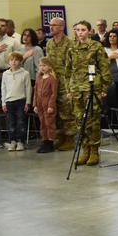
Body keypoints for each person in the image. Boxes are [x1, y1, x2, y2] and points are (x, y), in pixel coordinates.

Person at [65, 20, 110, 166]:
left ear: (89, 31)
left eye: (83, 30)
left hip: (92, 88)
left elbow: (104, 68)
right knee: (80, 121)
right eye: (78, 30)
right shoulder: (72, 48)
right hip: (77, 89)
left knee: (93, 121)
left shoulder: (96, 46)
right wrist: (69, 89)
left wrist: (104, 88)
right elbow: (67, 72)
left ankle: (94, 150)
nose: (80, 32)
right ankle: (85, 150)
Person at [45, 17, 75, 151]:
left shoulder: (70, 43)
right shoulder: (49, 43)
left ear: (62, 27)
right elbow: (47, 63)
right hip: (53, 82)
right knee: (55, 112)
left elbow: (74, 65)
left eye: (54, 25)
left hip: (66, 83)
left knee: (67, 112)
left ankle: (70, 139)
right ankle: (60, 137)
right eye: (50, 25)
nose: (51, 27)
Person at [1, 52, 31, 151]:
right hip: (9, 101)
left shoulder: (25, 73)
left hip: (21, 101)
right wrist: (3, 102)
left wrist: (28, 102)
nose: (14, 62)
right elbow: (3, 89)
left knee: (21, 122)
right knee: (11, 123)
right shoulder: (5, 74)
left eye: (16, 60)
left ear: (20, 62)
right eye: (11, 60)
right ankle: (12, 141)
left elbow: (28, 88)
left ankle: (20, 142)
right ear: (8, 62)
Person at [33, 58, 58, 153]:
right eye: (40, 65)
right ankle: (45, 140)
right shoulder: (39, 78)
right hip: (40, 105)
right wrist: (35, 104)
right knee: (42, 123)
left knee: (49, 123)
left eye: (44, 65)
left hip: (48, 106)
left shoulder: (52, 79)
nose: (42, 68)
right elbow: (35, 92)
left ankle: (50, 142)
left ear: (49, 66)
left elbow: (53, 94)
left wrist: (51, 105)